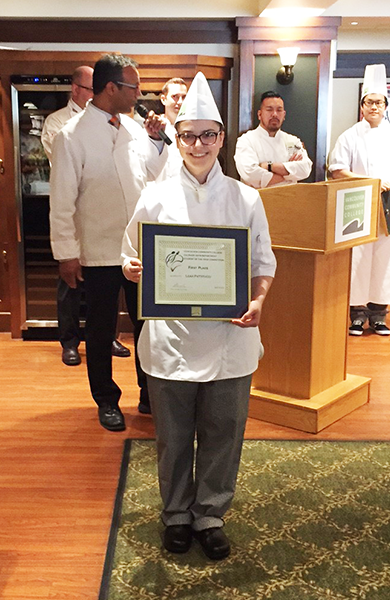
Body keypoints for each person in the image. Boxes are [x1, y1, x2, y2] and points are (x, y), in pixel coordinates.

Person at [122, 72, 276, 560]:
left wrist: (257, 301)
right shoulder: (155, 196)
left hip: (230, 337)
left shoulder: (246, 198)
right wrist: (131, 268)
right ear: (178, 137)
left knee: (223, 432)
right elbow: (130, 255)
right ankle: (176, 513)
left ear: (221, 138)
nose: (198, 145)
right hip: (171, 337)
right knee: (172, 436)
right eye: (189, 135)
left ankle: (210, 513)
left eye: (208, 135)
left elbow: (263, 263)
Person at [49, 53, 168, 431]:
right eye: (134, 87)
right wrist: (66, 255)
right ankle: (106, 399)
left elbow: (154, 172)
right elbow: (62, 201)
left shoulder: (133, 127)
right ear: (112, 88)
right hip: (98, 250)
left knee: (147, 325)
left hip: (138, 247)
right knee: (101, 330)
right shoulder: (72, 135)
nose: (139, 95)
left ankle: (149, 393)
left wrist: (156, 140)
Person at [41, 65, 131, 366]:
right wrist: (65, 252)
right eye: (91, 88)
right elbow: (62, 192)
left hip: (121, 238)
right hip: (84, 230)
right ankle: (70, 343)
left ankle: (113, 341)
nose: (93, 94)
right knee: (75, 293)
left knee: (112, 303)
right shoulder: (64, 129)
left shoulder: (125, 125)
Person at [329, 64, 390, 336]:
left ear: (386, 106)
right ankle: (356, 315)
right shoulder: (350, 135)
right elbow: (337, 170)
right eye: (369, 102)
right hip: (357, 203)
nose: (374, 107)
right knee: (358, 258)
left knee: (385, 260)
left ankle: (378, 315)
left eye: (379, 102)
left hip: (389, 205)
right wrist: (371, 182)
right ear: (362, 106)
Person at [234, 90, 312, 189]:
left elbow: (305, 169)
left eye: (279, 110)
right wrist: (288, 176)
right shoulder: (246, 140)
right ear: (259, 114)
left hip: (290, 197)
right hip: (257, 198)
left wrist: (269, 166)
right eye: (269, 109)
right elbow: (250, 174)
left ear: (284, 115)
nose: (275, 114)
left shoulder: (293, 141)